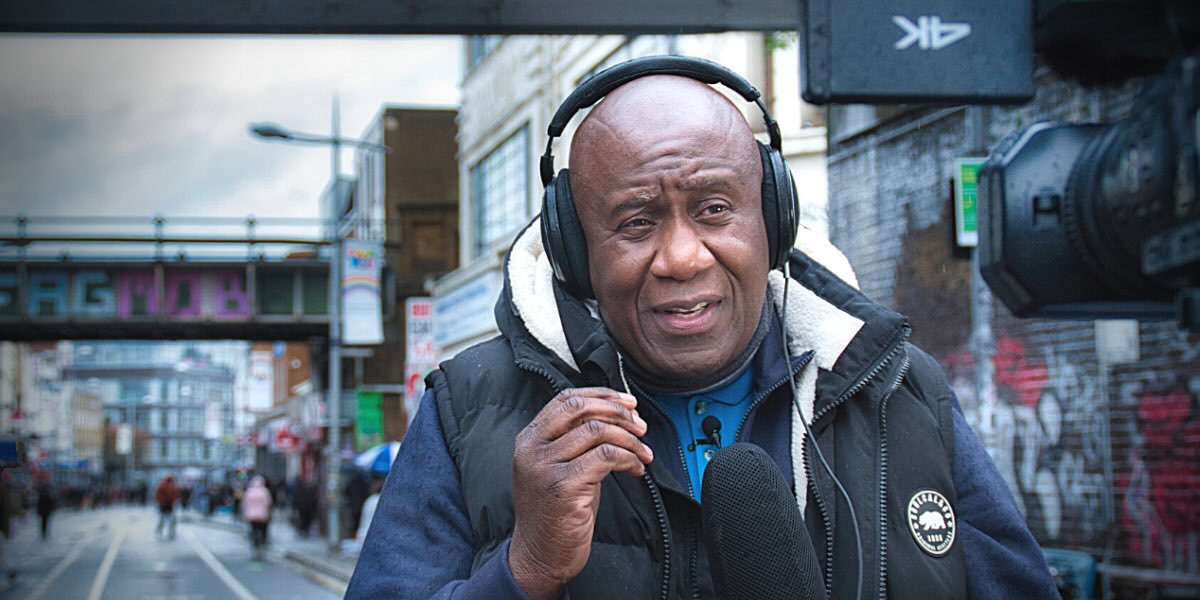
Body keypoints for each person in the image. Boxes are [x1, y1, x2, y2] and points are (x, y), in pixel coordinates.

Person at [346, 56, 1058, 599]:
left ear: (773, 221)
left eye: (715, 209)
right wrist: (522, 569)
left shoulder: (902, 391)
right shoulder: (466, 410)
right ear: (574, 251)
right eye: (635, 222)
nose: (682, 257)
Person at [241, 476, 273, 561]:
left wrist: (245, 514)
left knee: (253, 531)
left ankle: (254, 546)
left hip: (251, 516)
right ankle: (263, 545)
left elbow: (245, 504)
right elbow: (268, 503)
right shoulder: (265, 491)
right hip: (262, 515)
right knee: (263, 531)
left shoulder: (249, 492)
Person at [154, 474, 179, 540]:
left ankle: (159, 530)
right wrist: (174, 502)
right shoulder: (173, 486)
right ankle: (172, 531)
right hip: (169, 504)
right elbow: (175, 496)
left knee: (162, 518)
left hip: (163, 504)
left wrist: (160, 502)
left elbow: (158, 495)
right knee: (171, 519)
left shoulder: (161, 485)